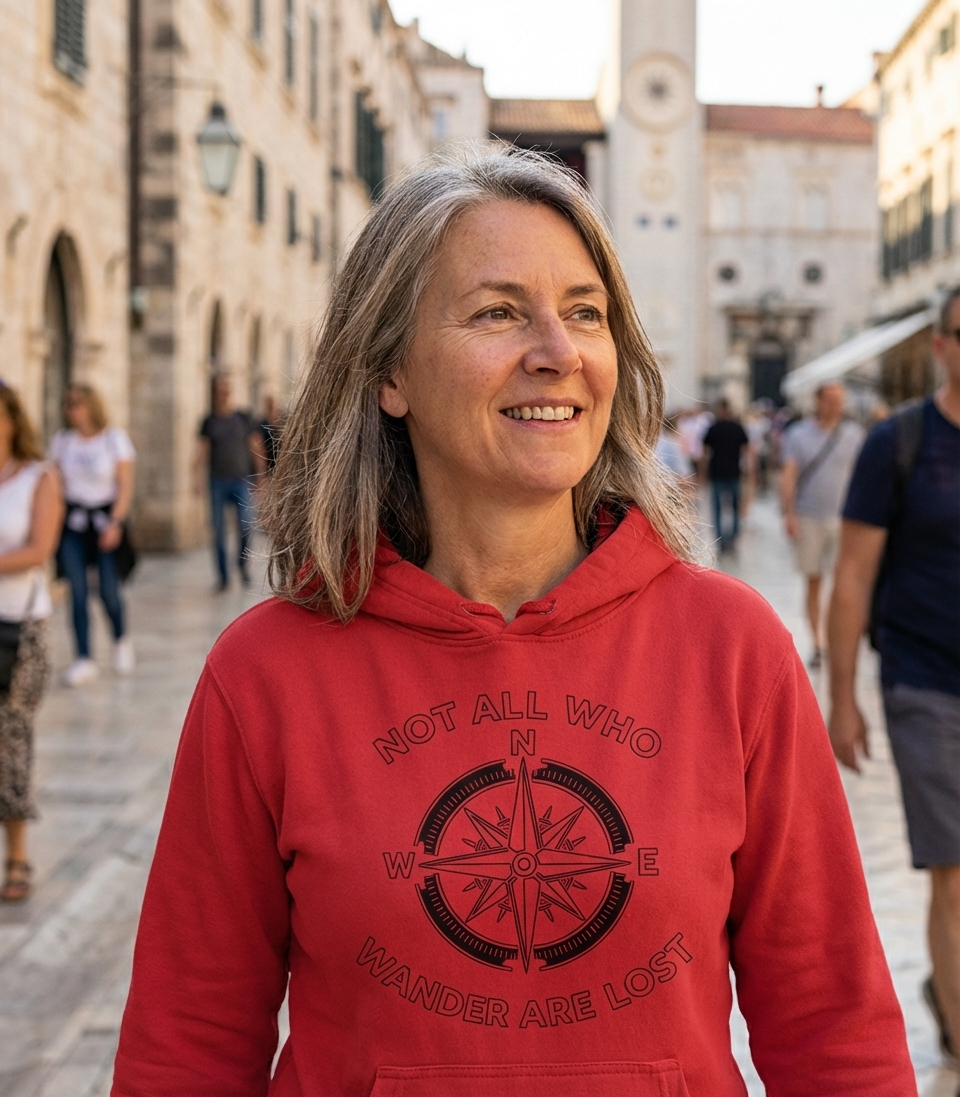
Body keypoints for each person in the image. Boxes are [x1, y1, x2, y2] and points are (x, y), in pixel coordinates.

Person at [113, 147, 915, 1095]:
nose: (558, 351)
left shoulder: (735, 650)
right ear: (389, 372)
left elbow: (835, 1029)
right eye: (498, 312)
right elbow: (187, 1044)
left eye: (585, 312)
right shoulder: (265, 673)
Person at [828, 285, 960, 1073]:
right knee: (954, 870)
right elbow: (851, 575)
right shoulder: (898, 443)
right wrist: (842, 699)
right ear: (941, 345)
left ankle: (948, 990)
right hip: (925, 681)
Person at [0, 384, 61, 902]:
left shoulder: (39, 478)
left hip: (18, 629)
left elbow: (39, 549)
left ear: (13, 421)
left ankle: (17, 855)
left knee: (11, 737)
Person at [51, 383, 136, 687]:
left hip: (104, 522)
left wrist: (115, 523)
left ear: (91, 406)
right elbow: (55, 485)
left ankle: (121, 638)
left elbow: (125, 486)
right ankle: (83, 657)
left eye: (76, 403)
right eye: (67, 403)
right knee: (76, 591)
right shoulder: (63, 442)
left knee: (108, 591)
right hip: (74, 524)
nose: (70, 409)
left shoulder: (114, 440)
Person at [779, 382, 864, 668]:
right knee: (814, 581)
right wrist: (789, 513)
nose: (835, 405)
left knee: (844, 583)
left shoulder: (854, 434)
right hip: (809, 516)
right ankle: (818, 642)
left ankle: (837, 638)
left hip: (845, 519)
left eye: (839, 399)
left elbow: (863, 476)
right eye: (829, 399)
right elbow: (789, 474)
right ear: (817, 401)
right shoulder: (798, 434)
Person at [194, 375, 266, 591]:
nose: (223, 394)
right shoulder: (209, 421)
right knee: (218, 530)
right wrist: (196, 479)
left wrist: (261, 474)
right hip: (217, 481)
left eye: (226, 389)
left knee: (245, 525)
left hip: (241, 480)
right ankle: (223, 577)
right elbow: (202, 451)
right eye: (220, 390)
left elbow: (256, 445)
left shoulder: (242, 418)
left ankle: (242, 565)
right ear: (215, 394)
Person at [701, 398, 749, 552]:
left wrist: (702, 472)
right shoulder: (737, 428)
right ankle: (733, 536)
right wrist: (748, 471)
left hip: (717, 472)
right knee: (734, 506)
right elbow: (745, 451)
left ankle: (720, 538)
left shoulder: (713, 428)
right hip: (733, 472)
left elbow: (705, 453)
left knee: (718, 507)